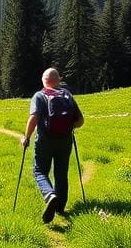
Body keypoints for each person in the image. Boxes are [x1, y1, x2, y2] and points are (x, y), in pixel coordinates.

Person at [20, 67, 84, 223]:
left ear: (44, 80)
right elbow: (80, 121)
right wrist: (69, 127)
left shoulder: (39, 96)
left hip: (45, 140)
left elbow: (33, 118)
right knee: (61, 173)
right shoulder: (67, 95)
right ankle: (60, 207)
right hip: (65, 140)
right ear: (58, 80)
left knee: (39, 171)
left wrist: (26, 137)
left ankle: (50, 195)